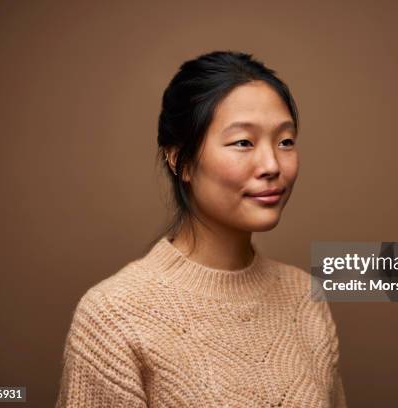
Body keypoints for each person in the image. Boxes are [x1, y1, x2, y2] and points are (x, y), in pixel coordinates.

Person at [55, 50, 347, 407]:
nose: (272, 164)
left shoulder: (305, 297)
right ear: (181, 160)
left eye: (285, 141)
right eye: (243, 142)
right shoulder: (114, 316)